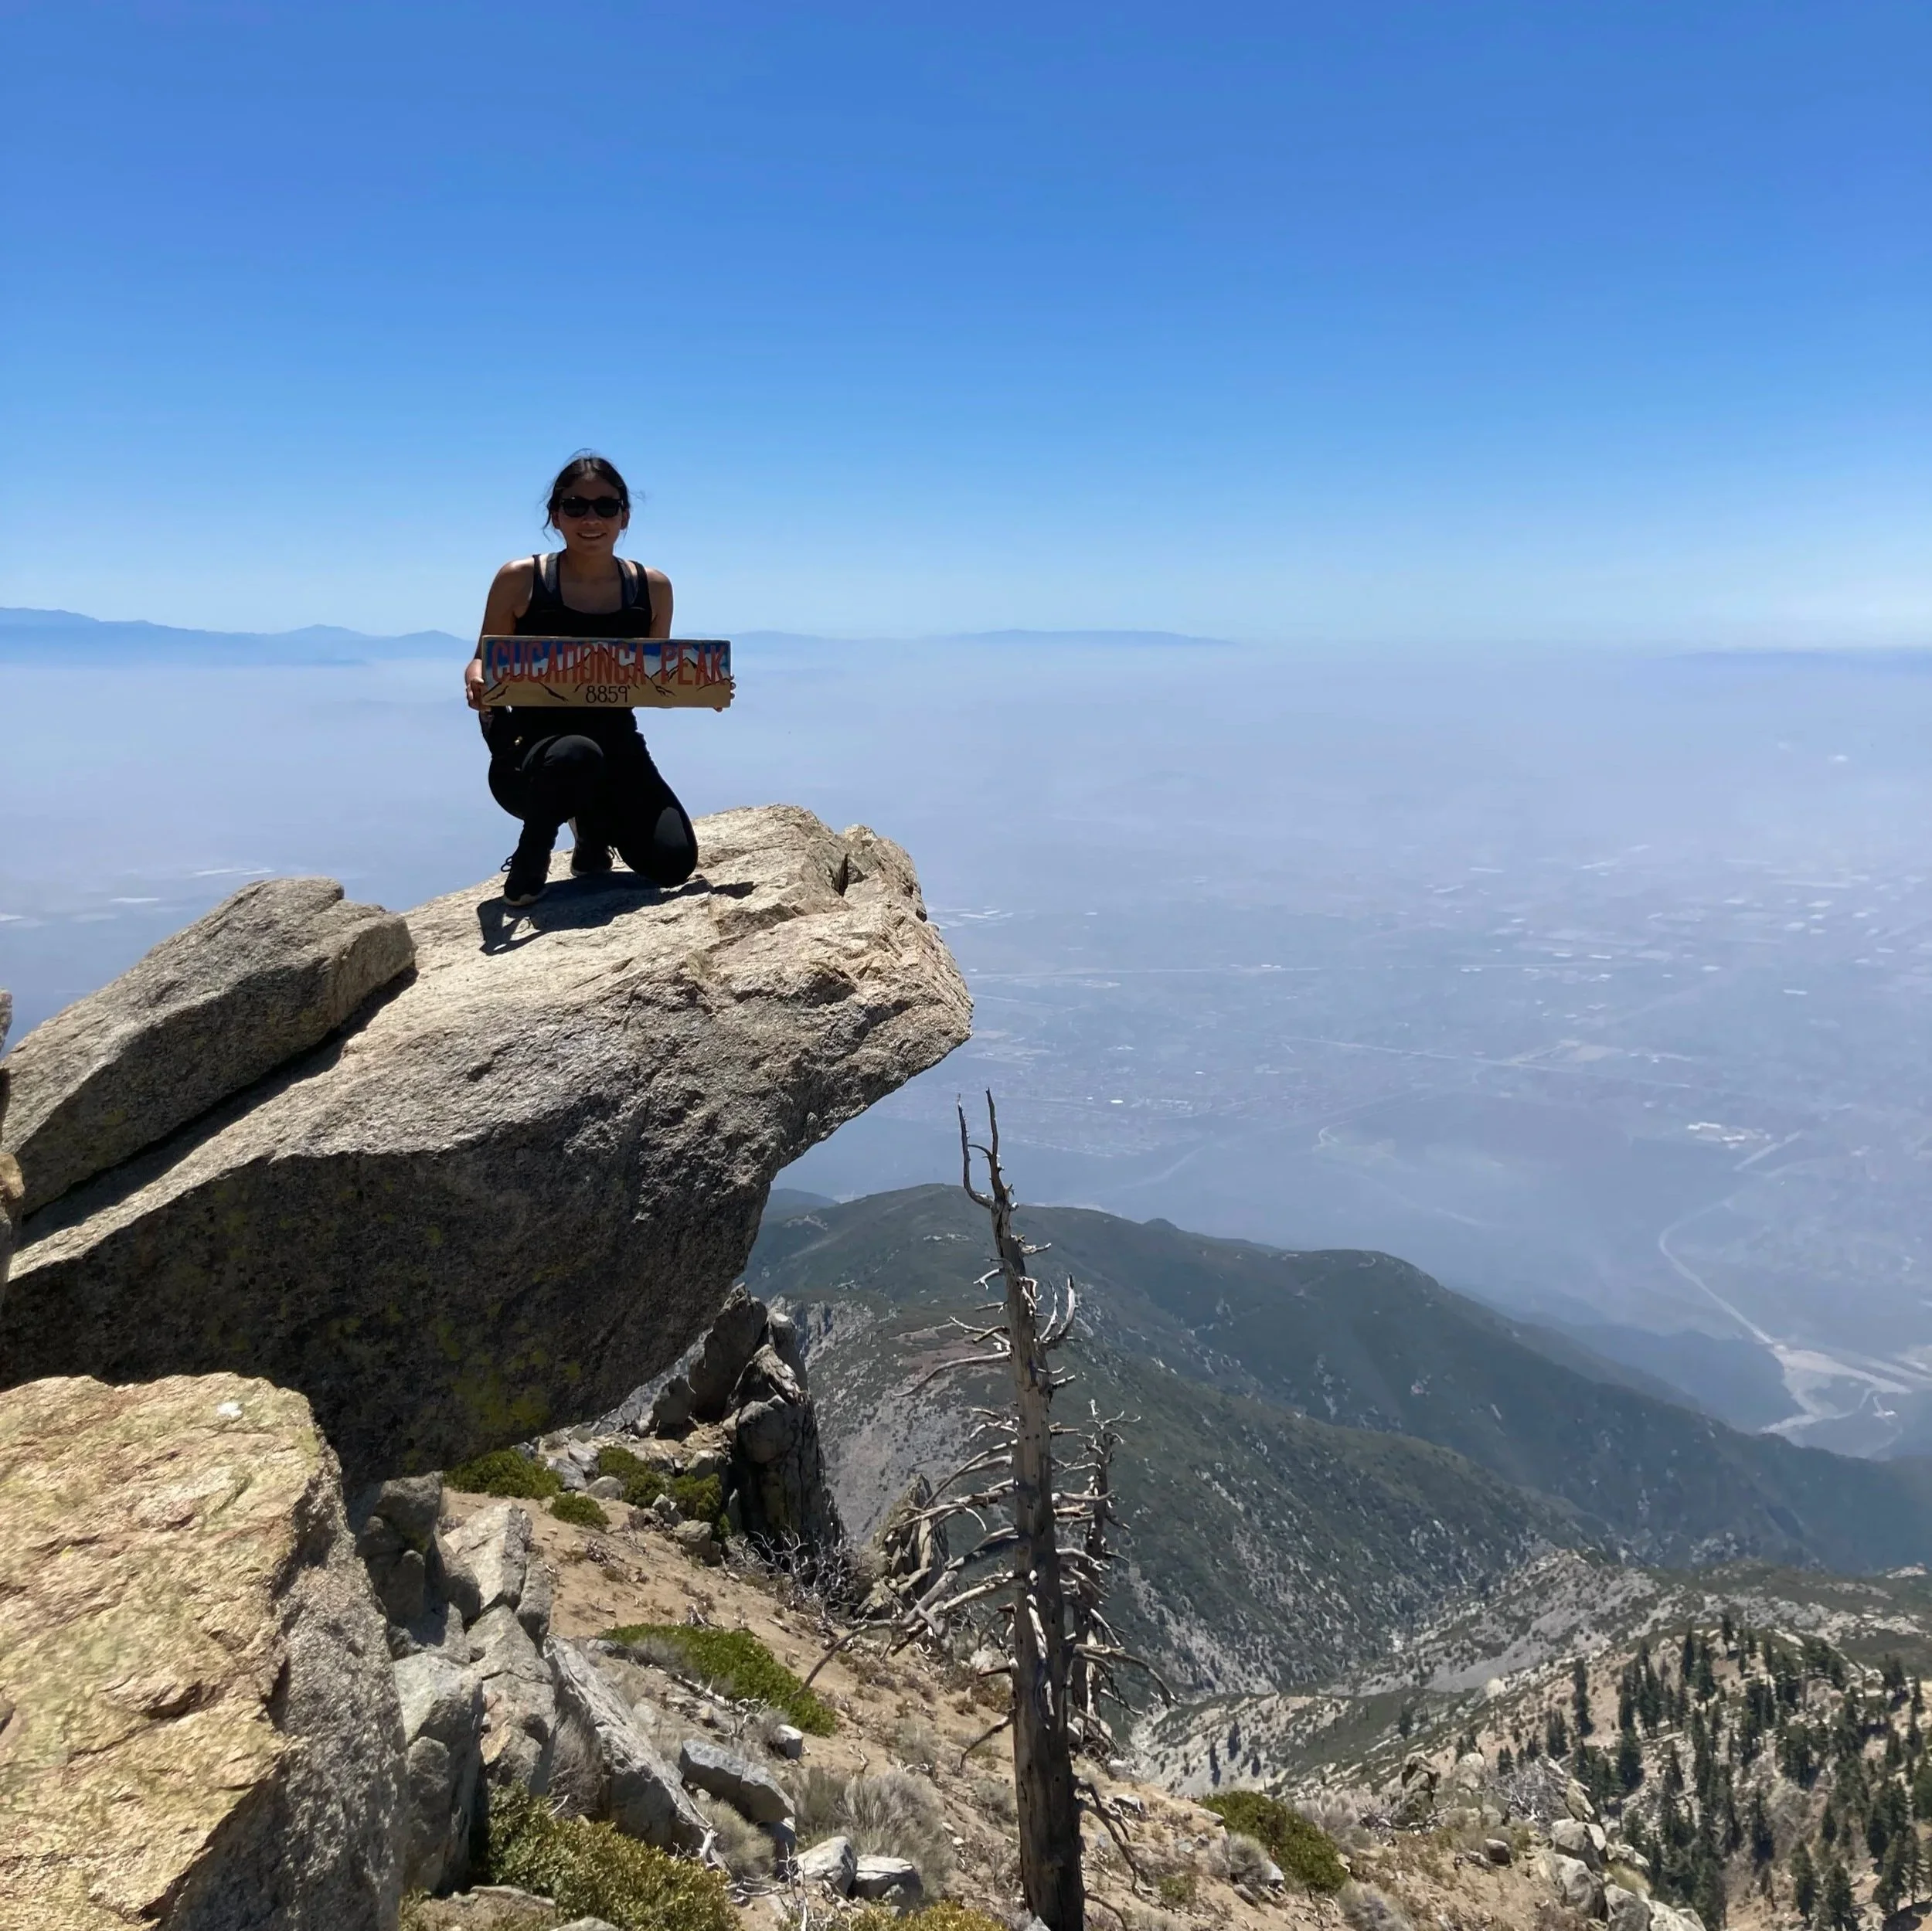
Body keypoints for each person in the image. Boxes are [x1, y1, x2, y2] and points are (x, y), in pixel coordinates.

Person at [466, 454, 699, 908]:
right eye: (575, 507)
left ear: (624, 515)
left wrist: (697, 689)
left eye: (606, 507)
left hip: (618, 746)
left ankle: (592, 823)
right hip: (532, 757)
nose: (591, 519)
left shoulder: (652, 588)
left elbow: (652, 681)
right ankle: (533, 853)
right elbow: (481, 660)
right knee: (576, 753)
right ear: (556, 515)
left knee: (673, 863)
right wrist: (477, 682)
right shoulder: (522, 579)